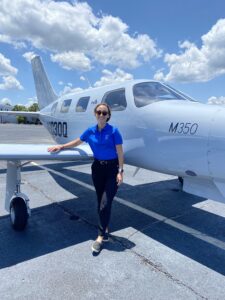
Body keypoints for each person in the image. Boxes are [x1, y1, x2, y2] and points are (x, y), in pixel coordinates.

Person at [48, 103, 124, 253]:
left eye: (104, 113)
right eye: (99, 112)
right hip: (97, 169)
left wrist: (120, 171)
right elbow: (78, 141)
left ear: (108, 115)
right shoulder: (91, 131)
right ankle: (106, 227)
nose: (101, 115)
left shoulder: (114, 131)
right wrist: (62, 147)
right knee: (100, 200)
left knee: (105, 202)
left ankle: (101, 237)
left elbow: (120, 153)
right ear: (95, 114)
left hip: (112, 169)